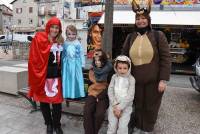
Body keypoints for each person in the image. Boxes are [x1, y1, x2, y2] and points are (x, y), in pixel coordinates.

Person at [121, 0, 171, 133]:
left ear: (148, 20)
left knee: (151, 106)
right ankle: (138, 127)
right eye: (138, 18)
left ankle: (147, 129)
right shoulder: (130, 37)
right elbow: (124, 58)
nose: (140, 21)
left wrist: (163, 79)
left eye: (143, 18)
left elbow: (166, 58)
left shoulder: (158, 35)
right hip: (134, 81)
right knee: (137, 105)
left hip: (153, 82)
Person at [28, 17, 64, 134]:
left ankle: (57, 125)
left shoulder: (61, 41)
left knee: (57, 103)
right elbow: (33, 57)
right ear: (48, 27)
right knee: (44, 102)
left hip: (56, 78)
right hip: (43, 76)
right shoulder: (40, 38)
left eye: (57, 28)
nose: (54, 30)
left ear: (59, 29)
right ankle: (48, 124)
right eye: (52, 27)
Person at [83, 49, 113, 134]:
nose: (97, 62)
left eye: (99, 60)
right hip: (92, 93)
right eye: (95, 60)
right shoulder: (92, 70)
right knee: (87, 111)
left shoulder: (110, 70)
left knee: (99, 114)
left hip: (103, 95)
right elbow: (89, 85)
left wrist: (100, 96)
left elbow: (111, 87)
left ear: (104, 59)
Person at [107, 55, 135, 134]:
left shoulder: (131, 79)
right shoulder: (114, 77)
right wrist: (115, 104)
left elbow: (130, 96)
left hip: (125, 107)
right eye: (120, 68)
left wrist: (120, 107)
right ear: (116, 68)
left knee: (122, 127)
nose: (122, 71)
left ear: (129, 68)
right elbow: (110, 90)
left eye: (125, 68)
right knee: (112, 126)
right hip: (113, 105)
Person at [62, 25, 86, 99]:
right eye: (69, 34)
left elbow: (81, 54)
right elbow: (63, 53)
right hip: (67, 64)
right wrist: (62, 63)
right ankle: (68, 93)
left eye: (73, 34)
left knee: (76, 78)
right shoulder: (65, 43)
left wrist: (82, 64)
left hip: (76, 63)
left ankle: (76, 94)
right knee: (68, 78)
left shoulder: (77, 43)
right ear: (66, 34)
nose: (71, 36)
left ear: (76, 34)